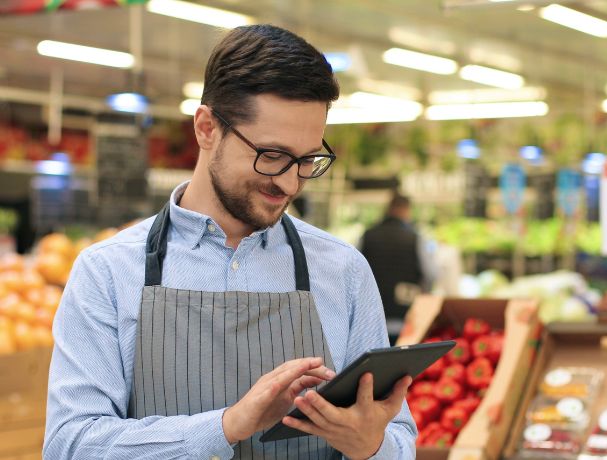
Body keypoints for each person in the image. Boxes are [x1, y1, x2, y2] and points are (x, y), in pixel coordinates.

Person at [43, 24, 416, 460]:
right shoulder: (106, 272)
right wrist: (227, 426)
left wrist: (372, 446)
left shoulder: (343, 271)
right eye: (272, 155)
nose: (290, 182)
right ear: (206, 129)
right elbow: (71, 446)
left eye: (308, 159)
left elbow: (402, 440)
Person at [360, 193, 436, 344]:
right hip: (405, 317)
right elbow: (431, 274)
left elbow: (355, 271)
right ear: (406, 210)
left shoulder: (367, 236)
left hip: (371, 318)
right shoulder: (415, 238)